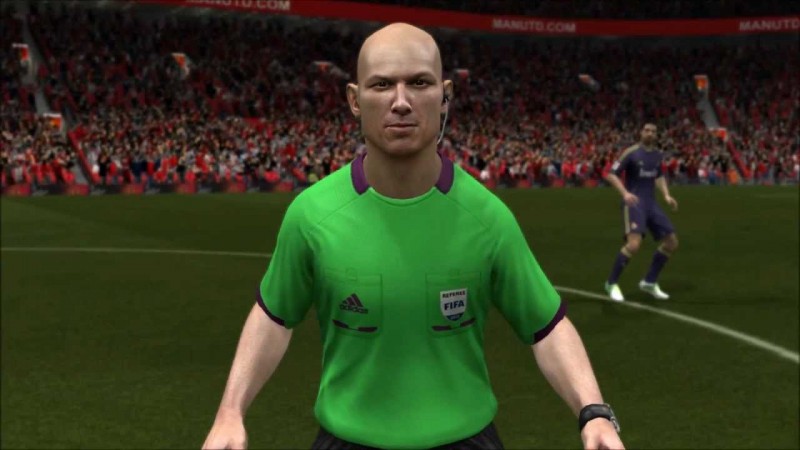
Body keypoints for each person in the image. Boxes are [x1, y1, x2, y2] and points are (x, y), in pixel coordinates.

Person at [202, 23, 624, 450]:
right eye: (382, 85)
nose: (401, 102)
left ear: (445, 96)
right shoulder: (311, 215)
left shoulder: (487, 218)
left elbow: (546, 325)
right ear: (354, 100)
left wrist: (593, 412)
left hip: (466, 441)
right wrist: (230, 412)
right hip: (346, 440)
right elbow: (274, 316)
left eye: (419, 83)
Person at [604, 123, 679, 302]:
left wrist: (666, 195)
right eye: (647, 130)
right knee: (633, 245)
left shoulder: (657, 155)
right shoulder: (631, 153)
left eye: (653, 131)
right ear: (641, 133)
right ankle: (611, 283)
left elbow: (658, 176)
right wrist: (625, 193)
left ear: (656, 135)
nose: (650, 133)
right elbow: (611, 174)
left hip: (651, 203)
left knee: (671, 242)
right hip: (634, 203)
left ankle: (649, 282)